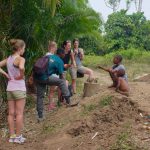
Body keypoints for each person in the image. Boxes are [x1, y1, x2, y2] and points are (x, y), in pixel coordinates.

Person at [33, 48, 71, 122]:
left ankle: (40, 116)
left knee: (40, 96)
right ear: (62, 54)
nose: (64, 55)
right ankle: (68, 101)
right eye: (64, 54)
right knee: (62, 82)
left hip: (37, 77)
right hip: (45, 77)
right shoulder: (60, 61)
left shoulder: (48, 56)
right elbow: (61, 76)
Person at [0, 39, 26, 144]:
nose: (24, 50)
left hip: (9, 89)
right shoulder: (20, 59)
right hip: (19, 89)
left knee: (11, 113)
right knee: (19, 113)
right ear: (20, 49)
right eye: (24, 48)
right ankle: (18, 137)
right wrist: (21, 75)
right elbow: (21, 67)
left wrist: (5, 74)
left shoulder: (9, 59)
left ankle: (12, 136)